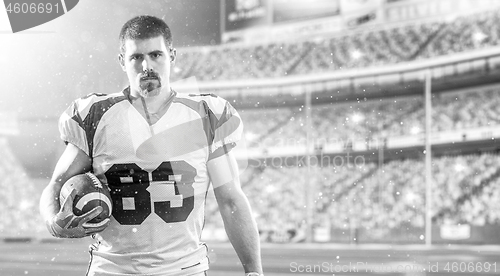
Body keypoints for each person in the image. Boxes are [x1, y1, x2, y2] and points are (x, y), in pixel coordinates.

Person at [39, 15, 263, 276]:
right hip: (112, 270)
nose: (146, 65)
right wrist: (53, 221)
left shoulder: (207, 116)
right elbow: (55, 184)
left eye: (156, 54)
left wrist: (254, 271)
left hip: (184, 270)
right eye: (136, 57)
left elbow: (231, 200)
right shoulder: (95, 116)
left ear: (172, 56)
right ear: (122, 61)